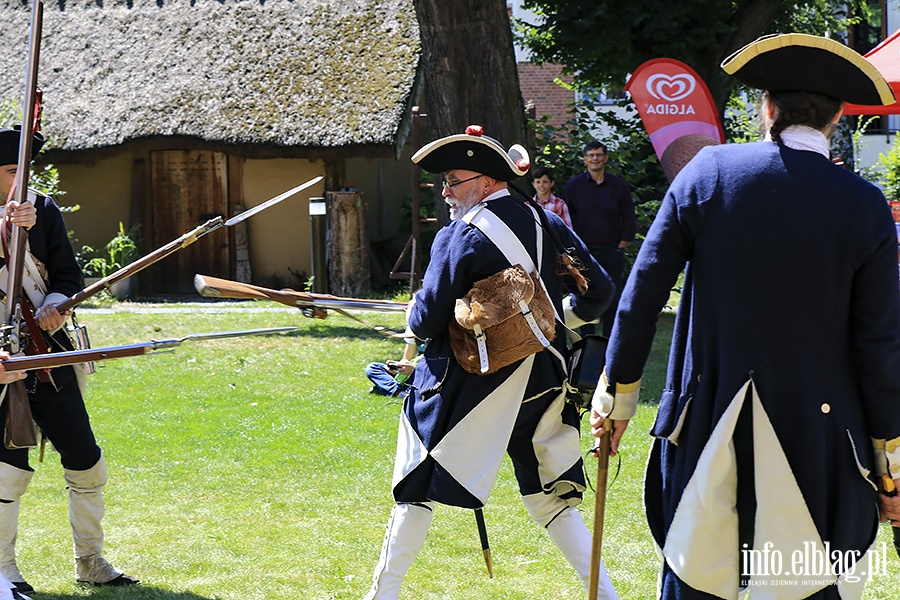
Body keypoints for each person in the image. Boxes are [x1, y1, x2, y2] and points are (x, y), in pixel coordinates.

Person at [590, 33, 900, 599]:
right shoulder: (862, 204)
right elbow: (879, 346)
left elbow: (639, 299)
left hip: (706, 426)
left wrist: (618, 399)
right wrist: (890, 464)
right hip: (822, 444)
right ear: (835, 121)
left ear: (766, 109)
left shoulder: (707, 174)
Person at [363, 126, 617, 599]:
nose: (445, 192)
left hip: (470, 389)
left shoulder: (459, 234)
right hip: (544, 379)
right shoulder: (544, 221)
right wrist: (549, 324)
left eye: (454, 180)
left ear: (484, 182)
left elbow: (427, 318)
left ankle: (384, 595)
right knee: (549, 497)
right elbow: (598, 292)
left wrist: (415, 312)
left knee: (415, 484)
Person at [0, 127, 138, 593]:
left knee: (85, 460)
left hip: (48, 356)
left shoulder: (44, 210)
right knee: (6, 471)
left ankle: (91, 561)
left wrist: (57, 304)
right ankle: (4, 572)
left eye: (23, 169)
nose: (19, 179)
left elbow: (66, 275)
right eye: (8, 170)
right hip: (1, 364)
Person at [563, 141, 636, 337]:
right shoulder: (573, 187)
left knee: (612, 296)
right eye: (591, 155)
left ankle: (611, 340)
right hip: (584, 253)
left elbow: (629, 216)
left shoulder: (618, 186)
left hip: (612, 251)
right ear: (585, 159)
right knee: (586, 294)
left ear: (606, 158)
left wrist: (622, 245)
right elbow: (566, 218)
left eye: (599, 154)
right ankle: (588, 338)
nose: (595, 158)